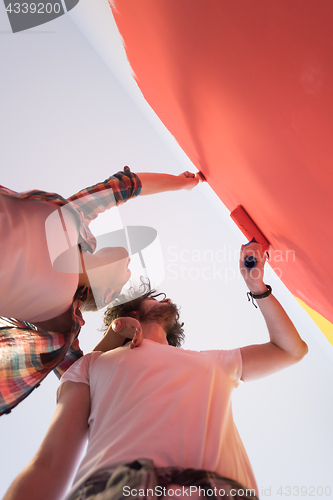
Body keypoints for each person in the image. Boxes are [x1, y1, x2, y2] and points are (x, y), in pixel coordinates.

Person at [3, 243, 308, 500]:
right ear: (132, 311)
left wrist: (257, 286)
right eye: (157, 297)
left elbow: (290, 350)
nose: (167, 298)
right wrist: (112, 334)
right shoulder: (89, 365)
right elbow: (51, 462)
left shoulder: (213, 361)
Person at [0, 168, 201, 416]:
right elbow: (124, 186)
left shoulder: (59, 320)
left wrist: (115, 335)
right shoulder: (70, 220)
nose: (131, 267)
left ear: (106, 293)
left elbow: (81, 377)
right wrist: (180, 183)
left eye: (126, 279)